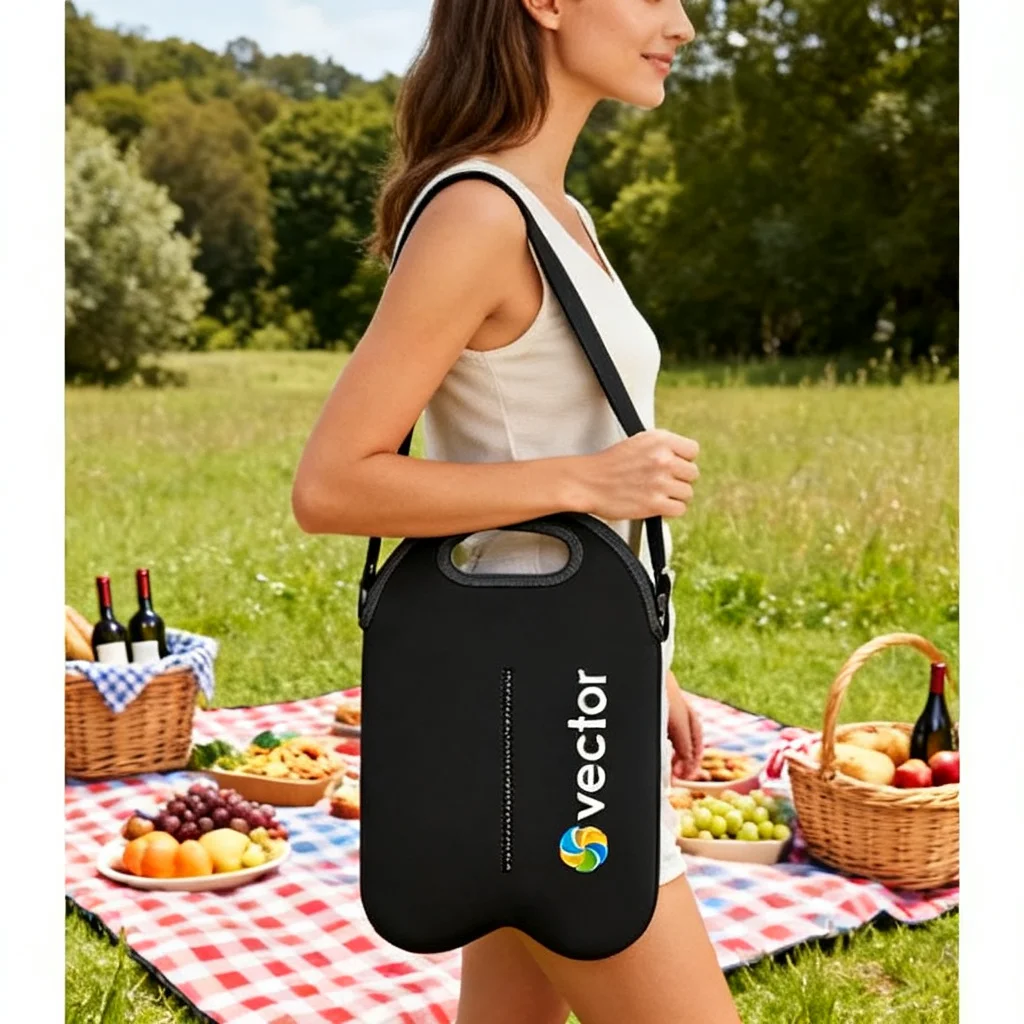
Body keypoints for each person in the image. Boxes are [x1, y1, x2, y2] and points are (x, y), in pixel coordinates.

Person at [292, 1, 742, 1021]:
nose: (680, 21)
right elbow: (332, 484)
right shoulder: (479, 215)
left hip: (552, 685)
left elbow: (514, 432)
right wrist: (587, 480)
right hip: (541, 727)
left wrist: (646, 663)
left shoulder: (557, 214)